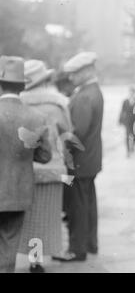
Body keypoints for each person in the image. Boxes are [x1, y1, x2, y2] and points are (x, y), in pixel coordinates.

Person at [18, 60, 73, 273]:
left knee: (29, 218)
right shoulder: (58, 105)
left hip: (27, 169)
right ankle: (38, 260)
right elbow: (68, 133)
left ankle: (31, 257)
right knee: (47, 217)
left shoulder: (20, 104)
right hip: (53, 169)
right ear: (45, 80)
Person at [0, 56, 52, 273]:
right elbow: (44, 156)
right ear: (23, 86)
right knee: (9, 243)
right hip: (18, 192)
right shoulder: (36, 117)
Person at [54, 52, 104, 262]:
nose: (71, 78)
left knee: (78, 207)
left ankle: (77, 249)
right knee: (88, 203)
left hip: (79, 162)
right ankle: (90, 244)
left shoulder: (84, 95)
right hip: (89, 160)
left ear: (86, 72)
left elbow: (77, 133)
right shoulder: (93, 91)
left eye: (74, 74)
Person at [119, 86, 135, 157]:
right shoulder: (125, 101)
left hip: (134, 121)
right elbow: (122, 111)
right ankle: (128, 151)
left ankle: (133, 145)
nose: (131, 93)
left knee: (134, 136)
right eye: (130, 92)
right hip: (127, 121)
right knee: (127, 135)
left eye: (132, 92)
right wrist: (120, 120)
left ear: (134, 93)